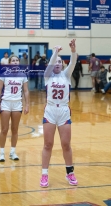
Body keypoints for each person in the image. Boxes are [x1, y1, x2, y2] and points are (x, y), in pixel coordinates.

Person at [40, 39, 78, 188]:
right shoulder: (47, 76)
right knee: (48, 144)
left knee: (66, 144)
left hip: (63, 111)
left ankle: (70, 172)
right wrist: (55, 52)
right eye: (55, 61)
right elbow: (49, 65)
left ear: (62, 64)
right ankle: (44, 174)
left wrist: (73, 50)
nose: (57, 63)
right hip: (50, 110)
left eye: (60, 61)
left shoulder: (66, 75)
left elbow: (73, 63)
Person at [0, 55, 29, 162]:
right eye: (13, 60)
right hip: (5, 103)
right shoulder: (4, 74)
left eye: (16, 60)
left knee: (15, 129)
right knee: (4, 129)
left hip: (17, 104)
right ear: (9, 63)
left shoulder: (23, 75)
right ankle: (1, 153)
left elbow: (26, 91)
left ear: (19, 63)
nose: (15, 62)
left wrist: (27, 104)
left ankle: (12, 152)